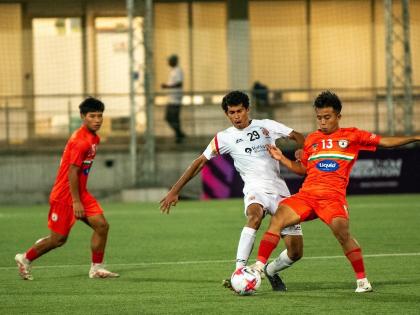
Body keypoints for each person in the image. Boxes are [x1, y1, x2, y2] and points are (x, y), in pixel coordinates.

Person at [252, 90, 420, 293]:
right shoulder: (312, 139)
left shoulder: (353, 136)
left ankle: (362, 281)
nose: (322, 122)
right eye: (319, 117)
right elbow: (303, 170)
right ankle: (258, 268)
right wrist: (283, 159)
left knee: (343, 234)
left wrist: (414, 137)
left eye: (327, 117)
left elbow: (385, 141)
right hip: (307, 196)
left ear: (338, 116)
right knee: (278, 217)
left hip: (332, 198)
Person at [160, 90, 305, 291]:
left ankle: (271, 271)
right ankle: (238, 272)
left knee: (295, 252)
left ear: (247, 109)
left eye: (239, 111)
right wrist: (175, 190)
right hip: (255, 190)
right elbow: (200, 162)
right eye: (231, 113)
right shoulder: (224, 138)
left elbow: (298, 136)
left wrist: (304, 150)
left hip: (280, 192)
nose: (236, 116)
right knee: (254, 216)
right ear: (227, 114)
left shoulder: (267, 126)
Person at [15, 97, 119, 280]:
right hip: (65, 196)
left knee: (102, 226)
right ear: (82, 117)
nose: (97, 120)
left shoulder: (94, 138)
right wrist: (76, 201)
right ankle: (24, 258)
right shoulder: (81, 141)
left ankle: (97, 268)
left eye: (100, 116)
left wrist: (80, 197)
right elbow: (73, 172)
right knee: (58, 240)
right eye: (92, 116)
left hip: (80, 192)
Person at [161, 54, 186, 143]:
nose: (168, 62)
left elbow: (179, 84)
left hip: (175, 99)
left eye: (170, 60)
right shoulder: (173, 71)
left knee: (171, 118)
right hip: (171, 99)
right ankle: (179, 134)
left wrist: (167, 86)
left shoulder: (178, 71)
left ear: (174, 61)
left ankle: (179, 135)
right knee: (172, 118)